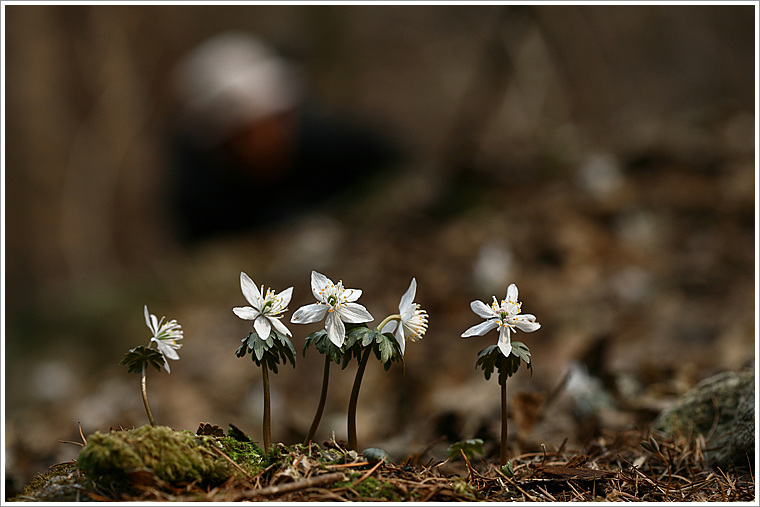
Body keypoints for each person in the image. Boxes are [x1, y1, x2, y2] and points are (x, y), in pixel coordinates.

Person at [168, 32, 402, 243]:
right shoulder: (202, 194)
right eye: (248, 130)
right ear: (223, 139)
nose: (271, 134)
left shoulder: (337, 147)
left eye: (278, 118)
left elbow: (398, 172)